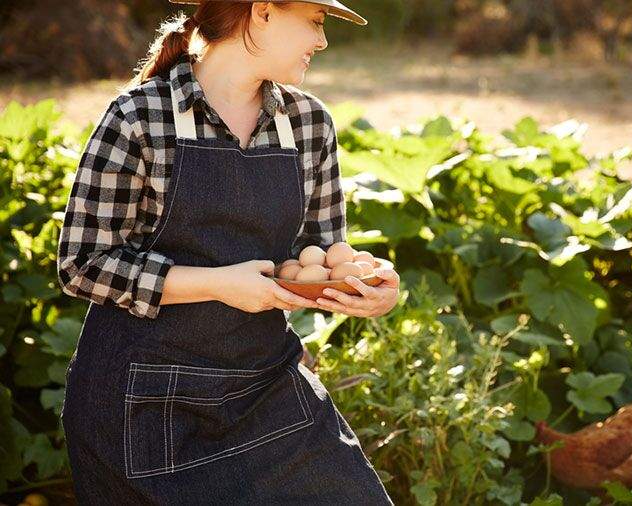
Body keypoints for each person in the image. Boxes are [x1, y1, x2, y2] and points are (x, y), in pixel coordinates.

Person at [56, 1, 398, 503]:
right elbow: (82, 264)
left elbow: (320, 254)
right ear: (262, 11)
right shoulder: (140, 117)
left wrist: (367, 288)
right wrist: (220, 283)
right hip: (145, 404)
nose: (322, 42)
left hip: (264, 387)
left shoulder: (309, 124)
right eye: (316, 22)